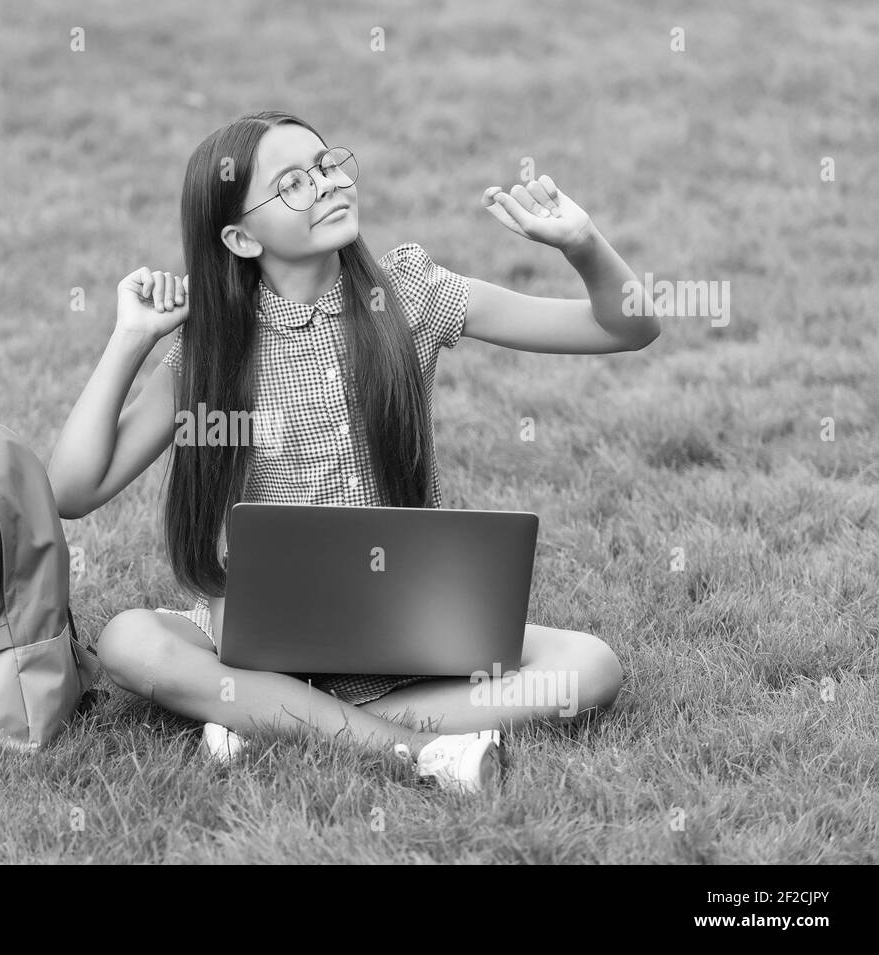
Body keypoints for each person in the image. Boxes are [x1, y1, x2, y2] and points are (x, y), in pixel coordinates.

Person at [48, 110, 658, 795]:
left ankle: (265, 719)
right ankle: (413, 748)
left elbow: (625, 327)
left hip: (405, 629)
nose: (329, 184)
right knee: (132, 641)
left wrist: (583, 244)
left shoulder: (410, 296)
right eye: (294, 184)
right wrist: (129, 341)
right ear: (240, 237)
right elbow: (72, 490)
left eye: (327, 165)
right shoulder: (211, 354)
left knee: (590, 666)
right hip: (260, 641)